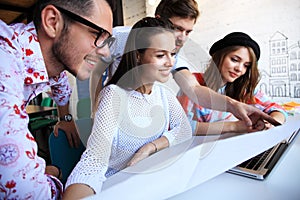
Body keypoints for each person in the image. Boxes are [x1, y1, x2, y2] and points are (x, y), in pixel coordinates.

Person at [89, 0, 281, 130]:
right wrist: (92, 111)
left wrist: (233, 105)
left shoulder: (173, 56)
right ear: (158, 20)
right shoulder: (119, 37)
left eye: (188, 32)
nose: (182, 38)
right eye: (177, 28)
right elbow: (93, 71)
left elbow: (195, 90)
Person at [63, 17, 192, 199]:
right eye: (161, 55)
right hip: (117, 188)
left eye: (172, 54)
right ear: (138, 55)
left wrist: (150, 147)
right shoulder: (113, 96)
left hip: (150, 186)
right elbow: (94, 160)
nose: (170, 62)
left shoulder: (164, 94)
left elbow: (184, 130)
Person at [0, 0, 114, 199]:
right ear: (52, 22)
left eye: (108, 41)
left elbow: (62, 88)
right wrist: (57, 179)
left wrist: (66, 119)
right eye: (97, 35)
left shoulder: (51, 66)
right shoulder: (4, 54)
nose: (106, 52)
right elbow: (24, 190)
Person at [177, 32, 287, 135]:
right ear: (219, 56)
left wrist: (271, 123)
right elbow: (180, 128)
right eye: (235, 60)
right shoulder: (193, 83)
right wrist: (235, 126)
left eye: (246, 65)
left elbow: (277, 109)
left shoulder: (243, 90)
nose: (240, 69)